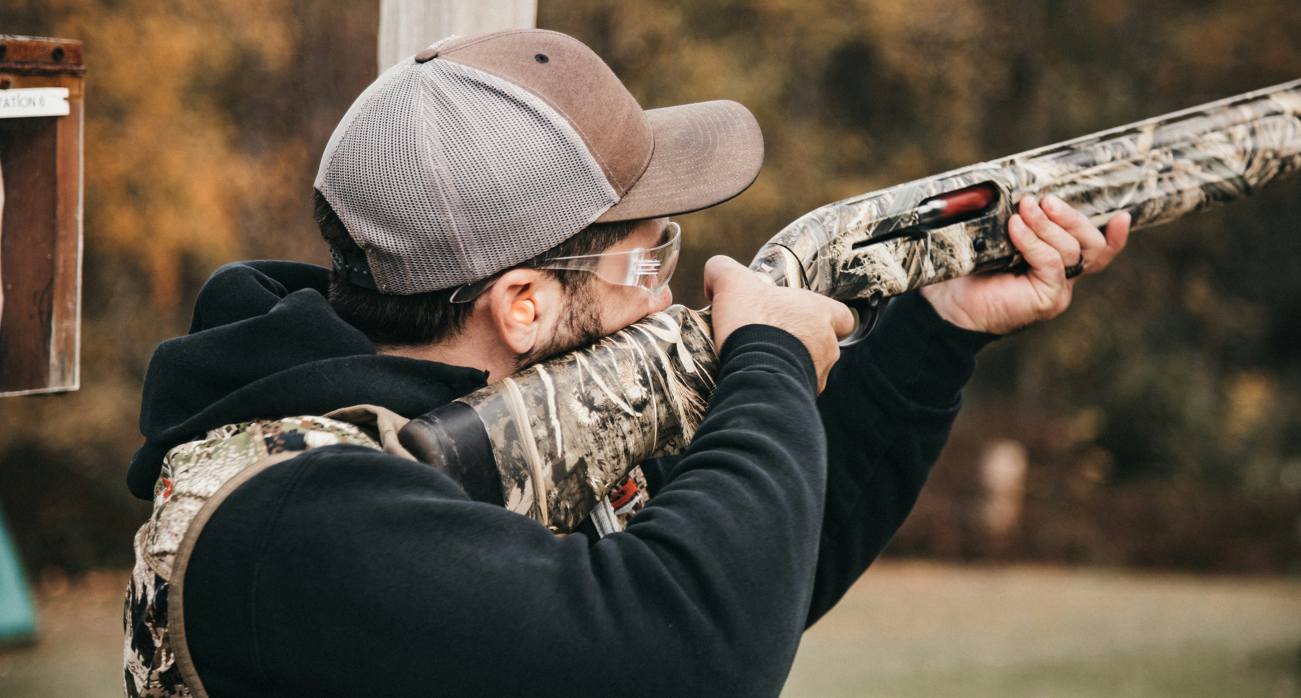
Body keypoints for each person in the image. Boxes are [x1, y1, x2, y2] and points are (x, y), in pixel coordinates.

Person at [122, 29, 1130, 697]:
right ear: (521, 303)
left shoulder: (488, 438)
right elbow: (693, 649)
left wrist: (935, 328)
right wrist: (768, 355)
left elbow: (760, 570)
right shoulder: (289, 522)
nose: (664, 292)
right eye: (647, 256)